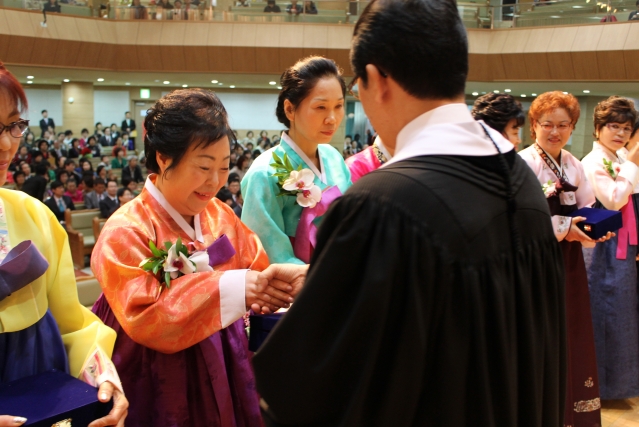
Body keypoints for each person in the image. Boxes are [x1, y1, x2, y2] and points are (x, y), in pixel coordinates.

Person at [252, 0, 566, 425]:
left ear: (377, 79)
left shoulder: (382, 206)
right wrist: (324, 277)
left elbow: (314, 393)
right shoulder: (520, 180)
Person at [90, 89, 294, 426]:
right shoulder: (126, 230)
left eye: (224, 167)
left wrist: (282, 284)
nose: (214, 182)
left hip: (226, 356)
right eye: (203, 166)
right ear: (163, 158)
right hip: (152, 369)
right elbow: (146, 317)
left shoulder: (219, 214)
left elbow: (255, 267)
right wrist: (233, 287)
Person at [0, 62, 127, 427]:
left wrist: (102, 378)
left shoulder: (34, 216)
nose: (6, 144)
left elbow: (72, 324)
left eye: (13, 125)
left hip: (41, 391)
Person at [519, 91, 604, 426]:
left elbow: (587, 206)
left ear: (572, 127)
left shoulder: (573, 163)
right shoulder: (524, 164)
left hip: (569, 260)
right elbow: (521, 219)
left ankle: (572, 411)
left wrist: (596, 228)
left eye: (563, 125)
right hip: (536, 259)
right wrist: (566, 228)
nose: (555, 132)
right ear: (534, 126)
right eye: (547, 124)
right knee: (542, 329)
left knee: (572, 326)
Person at [241, 56, 352, 264]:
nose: (332, 118)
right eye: (321, 107)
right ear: (290, 109)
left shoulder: (333, 157)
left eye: (338, 106)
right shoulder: (264, 173)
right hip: (302, 281)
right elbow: (269, 255)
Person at [581, 96, 639, 400]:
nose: (620, 133)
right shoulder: (593, 161)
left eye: (626, 128)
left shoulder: (619, 158)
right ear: (598, 128)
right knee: (604, 309)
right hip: (603, 244)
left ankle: (619, 384)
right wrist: (632, 164)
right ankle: (599, 384)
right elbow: (614, 200)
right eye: (614, 126)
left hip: (622, 243)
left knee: (621, 311)